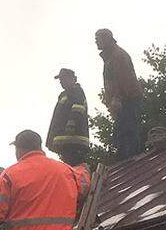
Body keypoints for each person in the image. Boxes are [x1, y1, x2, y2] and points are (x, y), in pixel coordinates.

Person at [96, 28, 145, 159]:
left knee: (126, 132)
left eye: (98, 39)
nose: (96, 42)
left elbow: (123, 79)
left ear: (107, 39)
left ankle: (130, 161)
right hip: (125, 100)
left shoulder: (117, 56)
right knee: (122, 132)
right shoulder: (110, 57)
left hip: (128, 99)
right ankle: (127, 158)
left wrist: (117, 99)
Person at [46, 68, 90, 161]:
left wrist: (70, 129)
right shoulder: (65, 95)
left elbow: (77, 110)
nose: (62, 82)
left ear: (74, 79)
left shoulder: (76, 92)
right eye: (61, 80)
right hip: (66, 141)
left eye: (65, 79)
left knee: (73, 169)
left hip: (72, 141)